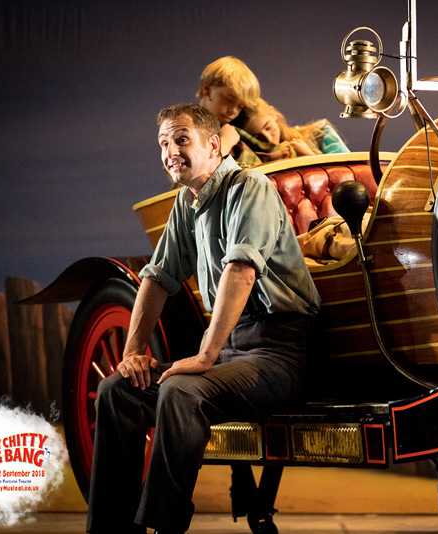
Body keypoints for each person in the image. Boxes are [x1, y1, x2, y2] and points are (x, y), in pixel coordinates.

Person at [86, 103, 320, 534]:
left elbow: (241, 270)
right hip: (233, 352)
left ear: (213, 145)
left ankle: (163, 526)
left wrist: (206, 355)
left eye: (181, 139)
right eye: (162, 143)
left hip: (279, 352)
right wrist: (133, 353)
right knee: (117, 389)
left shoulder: (250, 186)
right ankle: (109, 530)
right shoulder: (188, 202)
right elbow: (156, 278)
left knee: (180, 390)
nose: (170, 151)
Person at [240, 97, 350, 162]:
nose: (268, 139)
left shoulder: (319, 133)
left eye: (268, 127)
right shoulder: (259, 160)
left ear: (273, 114)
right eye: (257, 137)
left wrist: (310, 156)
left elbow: (350, 173)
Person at [195, 56, 261, 160]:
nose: (233, 111)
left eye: (240, 106)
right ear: (206, 91)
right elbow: (196, 169)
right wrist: (225, 142)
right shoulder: (187, 126)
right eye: (229, 100)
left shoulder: (237, 126)